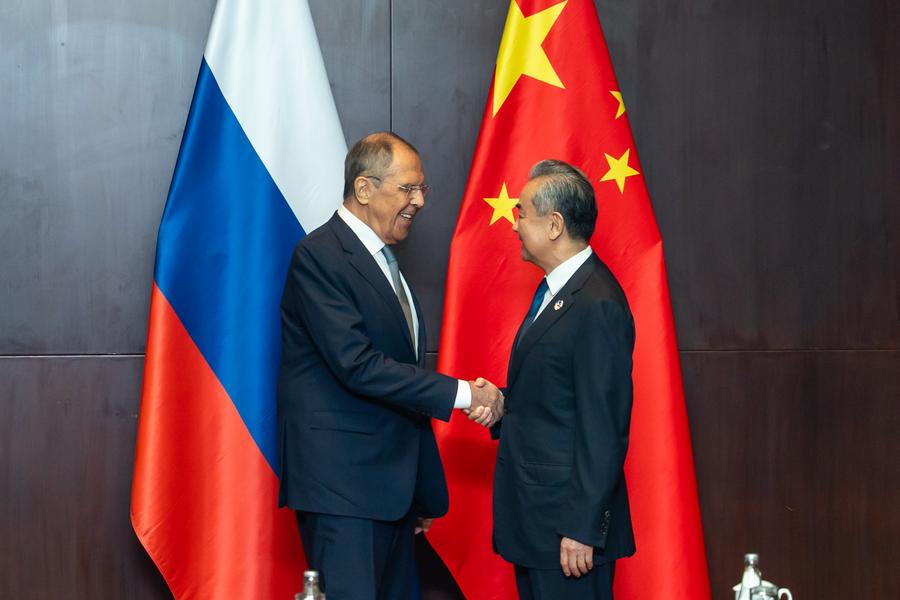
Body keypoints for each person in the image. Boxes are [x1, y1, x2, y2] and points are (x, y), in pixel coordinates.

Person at [276, 132, 502, 600]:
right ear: (364, 189)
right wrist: (464, 395)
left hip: (392, 493)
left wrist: (415, 487)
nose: (420, 201)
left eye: (422, 189)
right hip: (344, 491)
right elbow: (358, 365)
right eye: (408, 188)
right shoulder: (320, 257)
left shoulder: (383, 260)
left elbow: (397, 373)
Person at [490, 159, 636, 599]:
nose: (514, 224)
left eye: (521, 213)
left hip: (567, 535)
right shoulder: (557, 291)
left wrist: (582, 527)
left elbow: (603, 425)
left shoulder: (597, 303)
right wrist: (500, 403)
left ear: (554, 225)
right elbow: (557, 395)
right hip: (538, 526)